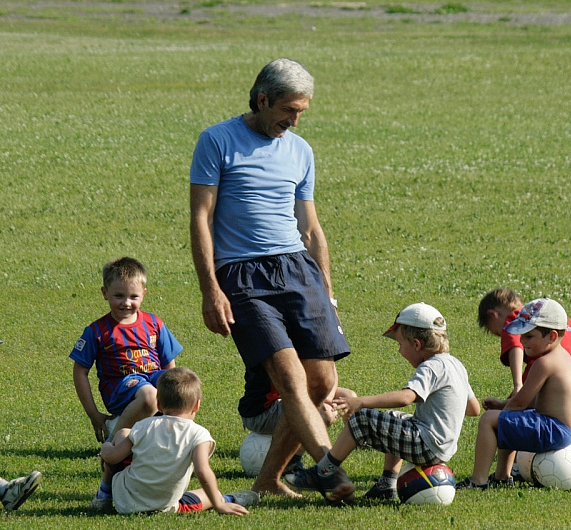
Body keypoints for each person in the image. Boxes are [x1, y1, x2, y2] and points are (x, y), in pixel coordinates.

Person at [190, 58, 351, 497]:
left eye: (301, 112)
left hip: (298, 270)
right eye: (288, 110)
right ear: (262, 99)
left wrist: (328, 293)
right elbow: (200, 219)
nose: (294, 121)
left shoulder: (301, 150)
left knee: (322, 382)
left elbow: (312, 229)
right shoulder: (216, 141)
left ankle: (268, 481)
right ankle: (326, 466)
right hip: (242, 275)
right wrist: (211, 290)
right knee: (289, 380)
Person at [286, 303, 480, 503]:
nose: (399, 351)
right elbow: (473, 409)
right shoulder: (456, 365)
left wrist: (360, 402)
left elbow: (406, 398)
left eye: (400, 344)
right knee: (396, 419)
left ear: (416, 344)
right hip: (443, 448)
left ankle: (324, 472)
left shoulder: (431, 367)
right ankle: (387, 484)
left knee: (362, 419)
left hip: (425, 446)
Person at [70, 257, 183, 506]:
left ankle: (182, 448)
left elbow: (169, 366)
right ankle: (113, 443)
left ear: (143, 293)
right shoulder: (97, 331)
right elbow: (80, 371)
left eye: (133, 296)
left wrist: (173, 394)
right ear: (104, 293)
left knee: (184, 386)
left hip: (151, 379)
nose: (126, 303)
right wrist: (93, 414)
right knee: (149, 396)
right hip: (121, 388)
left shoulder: (154, 324)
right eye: (118, 296)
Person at [457, 298, 571, 490]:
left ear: (551, 336)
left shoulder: (544, 363)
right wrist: (502, 405)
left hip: (555, 431)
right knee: (508, 419)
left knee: (489, 420)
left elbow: (519, 404)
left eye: (529, 336)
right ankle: (502, 477)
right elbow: (531, 402)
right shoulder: (562, 356)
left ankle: (478, 481)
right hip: (566, 430)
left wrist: (500, 415)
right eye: (522, 336)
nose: (522, 341)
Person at [94, 367, 258, 514]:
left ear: (158, 404)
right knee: (205, 494)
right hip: (165, 505)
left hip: (124, 501)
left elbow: (113, 456)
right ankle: (228, 500)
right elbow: (202, 471)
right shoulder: (198, 435)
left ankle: (103, 495)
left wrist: (107, 446)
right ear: (197, 405)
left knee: (122, 433)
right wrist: (218, 504)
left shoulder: (142, 426)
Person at [478, 288, 571, 413]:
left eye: (499, 333)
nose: (522, 339)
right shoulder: (555, 316)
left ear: (493, 315)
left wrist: (518, 385)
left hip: (553, 370)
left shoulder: (517, 317)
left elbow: (515, 347)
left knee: (511, 409)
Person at [239, 364, 357, 474]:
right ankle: (293, 462)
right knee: (324, 413)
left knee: (349, 397)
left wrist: (328, 398)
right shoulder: (283, 346)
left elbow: (329, 370)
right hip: (265, 411)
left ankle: (354, 439)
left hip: (289, 398)